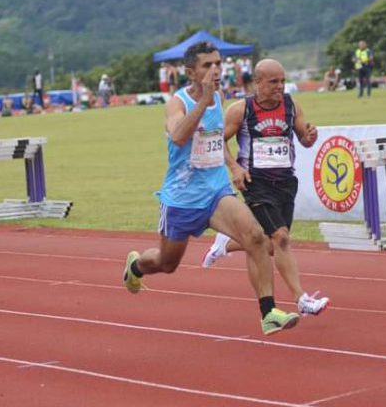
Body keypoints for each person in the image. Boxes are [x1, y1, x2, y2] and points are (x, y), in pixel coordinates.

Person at [122, 41, 300, 336]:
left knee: (256, 236)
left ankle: (268, 312)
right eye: (208, 65)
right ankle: (137, 266)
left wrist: (232, 167)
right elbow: (178, 136)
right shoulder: (177, 103)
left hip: (216, 192)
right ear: (191, 72)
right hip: (182, 198)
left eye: (218, 63)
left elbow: (220, 140)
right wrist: (203, 101)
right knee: (167, 264)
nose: (216, 70)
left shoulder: (220, 97)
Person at [201, 58, 329, 316]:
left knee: (272, 245)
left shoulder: (291, 105)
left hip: (285, 181)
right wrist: (235, 168)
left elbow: (303, 138)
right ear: (257, 82)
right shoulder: (242, 110)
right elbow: (217, 140)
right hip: (256, 183)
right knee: (281, 237)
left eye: (282, 81)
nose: (279, 86)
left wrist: (309, 136)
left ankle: (226, 244)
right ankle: (301, 299)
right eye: (273, 82)